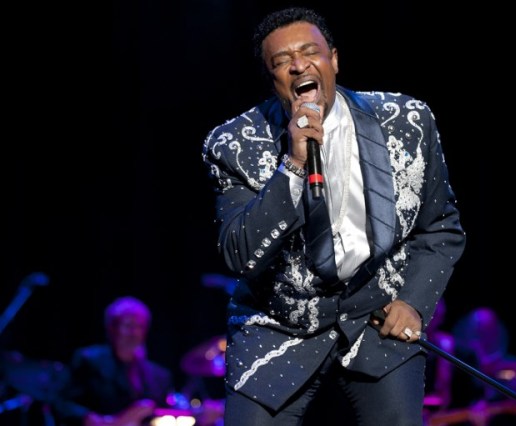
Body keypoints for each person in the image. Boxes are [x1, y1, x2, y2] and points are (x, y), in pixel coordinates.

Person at [201, 7, 466, 425]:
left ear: (334, 60)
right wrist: (291, 165)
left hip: (378, 313)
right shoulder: (234, 143)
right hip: (279, 322)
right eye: (282, 61)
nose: (299, 65)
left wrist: (414, 303)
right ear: (273, 82)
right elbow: (240, 254)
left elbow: (441, 227)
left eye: (310, 52)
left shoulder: (407, 121)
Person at [52, 296, 223, 426]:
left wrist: (198, 415)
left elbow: (165, 415)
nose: (133, 332)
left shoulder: (158, 376)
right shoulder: (89, 360)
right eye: (127, 325)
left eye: (139, 326)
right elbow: (62, 403)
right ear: (112, 328)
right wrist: (96, 420)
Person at [448, 306, 516, 426]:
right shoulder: (459, 366)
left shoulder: (512, 363)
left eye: (488, 330)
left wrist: (493, 409)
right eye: (477, 330)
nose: (482, 336)